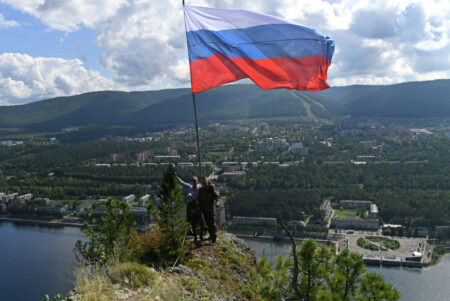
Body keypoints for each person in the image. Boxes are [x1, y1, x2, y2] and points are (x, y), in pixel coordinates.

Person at [174, 172, 204, 241]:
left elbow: (206, 186)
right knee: (192, 223)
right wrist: (175, 176)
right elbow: (181, 182)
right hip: (191, 206)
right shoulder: (189, 187)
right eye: (193, 182)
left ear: (197, 182)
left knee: (201, 222)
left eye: (195, 182)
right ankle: (195, 236)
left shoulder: (200, 187)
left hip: (198, 206)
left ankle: (201, 235)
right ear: (192, 182)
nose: (194, 183)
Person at [199, 175, 219, 243]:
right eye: (202, 180)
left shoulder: (211, 188)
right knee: (208, 223)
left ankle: (214, 238)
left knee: (212, 224)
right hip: (204, 210)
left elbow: (216, 196)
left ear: (207, 180)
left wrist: (217, 202)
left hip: (211, 209)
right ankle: (211, 236)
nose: (203, 181)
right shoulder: (201, 190)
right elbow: (200, 200)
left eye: (204, 180)